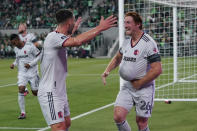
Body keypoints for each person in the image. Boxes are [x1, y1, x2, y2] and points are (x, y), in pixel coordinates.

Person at [38, 9, 117, 131]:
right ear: (69, 22)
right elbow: (77, 41)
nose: (75, 23)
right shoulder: (52, 37)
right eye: (73, 20)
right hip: (50, 92)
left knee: (67, 123)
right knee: (59, 127)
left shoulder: (58, 37)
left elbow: (70, 40)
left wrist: (73, 31)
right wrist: (100, 28)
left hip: (60, 91)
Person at [102, 12, 162, 131]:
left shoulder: (148, 43)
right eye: (124, 22)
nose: (125, 25)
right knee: (118, 116)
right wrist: (107, 70)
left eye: (128, 22)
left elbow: (157, 70)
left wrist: (140, 83)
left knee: (141, 123)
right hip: (128, 86)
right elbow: (118, 57)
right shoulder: (126, 41)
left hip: (144, 88)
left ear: (138, 24)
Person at [10, 34, 41, 119]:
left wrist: (30, 64)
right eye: (12, 44)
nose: (14, 45)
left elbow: (39, 56)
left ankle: (49, 98)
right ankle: (23, 113)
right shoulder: (16, 49)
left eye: (14, 43)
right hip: (22, 73)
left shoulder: (30, 46)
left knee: (35, 93)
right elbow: (17, 59)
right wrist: (13, 64)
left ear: (18, 39)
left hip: (32, 72)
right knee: (21, 89)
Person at [18, 23, 40, 96]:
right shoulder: (18, 37)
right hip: (22, 60)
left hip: (31, 59)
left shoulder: (30, 36)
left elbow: (36, 44)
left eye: (20, 27)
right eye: (19, 27)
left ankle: (40, 87)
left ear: (25, 28)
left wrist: (28, 48)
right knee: (23, 74)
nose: (19, 28)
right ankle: (25, 90)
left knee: (35, 77)